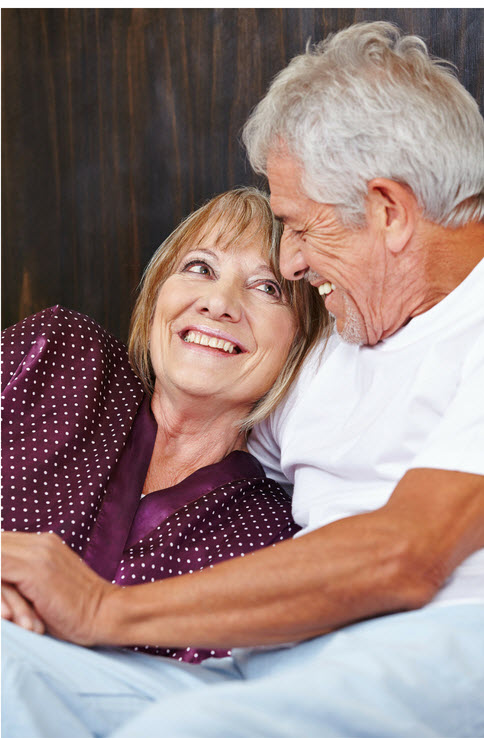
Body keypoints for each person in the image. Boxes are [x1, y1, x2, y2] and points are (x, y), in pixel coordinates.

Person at [2, 21, 484, 738]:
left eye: (297, 225)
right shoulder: (334, 336)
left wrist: (103, 608)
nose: (290, 262)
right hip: (273, 659)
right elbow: (202, 391)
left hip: (433, 642)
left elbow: (404, 555)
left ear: (388, 211)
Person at [1, 186, 326, 666]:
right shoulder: (59, 354)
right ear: (157, 294)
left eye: (267, 287)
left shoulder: (274, 534)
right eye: (200, 268)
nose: (219, 303)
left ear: (301, 342)